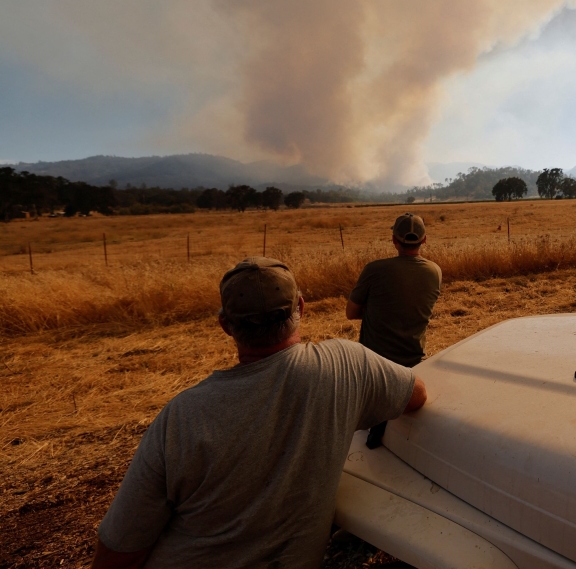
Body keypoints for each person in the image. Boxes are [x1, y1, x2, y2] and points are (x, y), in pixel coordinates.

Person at [91, 257, 427, 569]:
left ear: (225, 324)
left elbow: (122, 546)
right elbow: (416, 395)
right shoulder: (347, 364)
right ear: (300, 307)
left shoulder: (183, 416)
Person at [346, 213, 441, 448]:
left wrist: (376, 309)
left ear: (394, 240)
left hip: (374, 364)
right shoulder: (434, 271)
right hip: (414, 360)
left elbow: (351, 312)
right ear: (425, 240)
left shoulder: (375, 269)